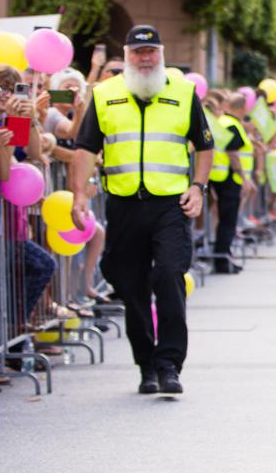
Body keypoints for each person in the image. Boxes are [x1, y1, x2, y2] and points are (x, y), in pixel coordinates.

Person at [68, 25, 213, 395]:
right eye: (138, 52)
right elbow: (85, 149)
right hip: (124, 204)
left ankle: (169, 365)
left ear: (160, 54)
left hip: (170, 204)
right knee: (130, 286)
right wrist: (79, 195)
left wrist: (199, 186)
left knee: (168, 276)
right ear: (128, 55)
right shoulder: (104, 95)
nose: (145, 58)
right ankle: (146, 365)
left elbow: (204, 145)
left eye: (151, 52)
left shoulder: (183, 92)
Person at [208, 92, 250, 273]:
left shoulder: (222, 122)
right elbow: (233, 154)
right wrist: (244, 177)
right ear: (241, 108)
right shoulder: (232, 125)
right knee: (228, 222)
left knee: (224, 221)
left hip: (218, 177)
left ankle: (223, 258)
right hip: (229, 179)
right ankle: (223, 261)